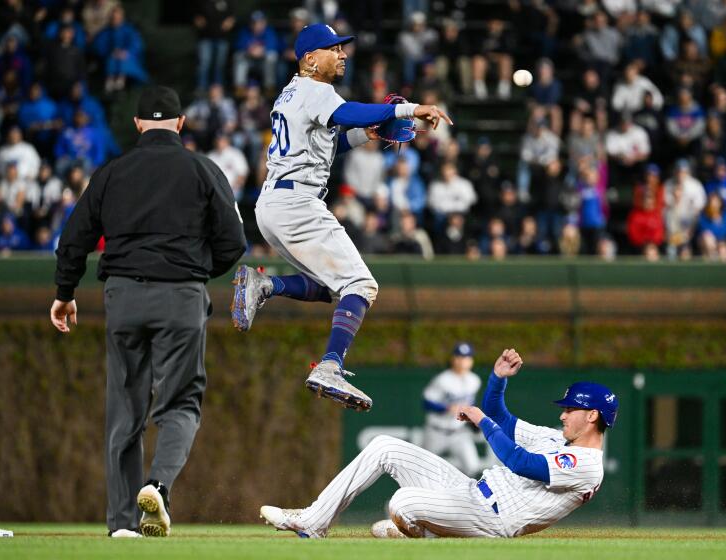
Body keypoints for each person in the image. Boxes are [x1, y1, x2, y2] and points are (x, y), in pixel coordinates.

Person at [49, 86, 247, 538]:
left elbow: (74, 238)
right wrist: (195, 273)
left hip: (123, 297)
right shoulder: (203, 169)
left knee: (124, 411)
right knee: (180, 402)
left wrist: (65, 291)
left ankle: (121, 526)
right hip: (181, 298)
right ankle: (157, 485)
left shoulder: (112, 173)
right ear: (180, 123)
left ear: (137, 124)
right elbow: (234, 242)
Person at [230, 24, 452, 412]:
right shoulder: (316, 90)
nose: (343, 54)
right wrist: (409, 108)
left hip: (277, 204)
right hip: (297, 204)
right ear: (310, 59)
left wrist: (368, 134)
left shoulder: (292, 94)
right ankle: (330, 365)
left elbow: (329, 145)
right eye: (333, 49)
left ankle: (265, 285)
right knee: (362, 286)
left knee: (337, 289)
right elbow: (346, 112)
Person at [259, 348, 618, 538]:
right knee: (385, 446)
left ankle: (424, 532)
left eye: (570, 409)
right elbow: (502, 418)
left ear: (591, 416)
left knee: (401, 501)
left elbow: (521, 463)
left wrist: (481, 421)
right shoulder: (558, 438)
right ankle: (313, 521)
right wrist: (497, 380)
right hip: (471, 491)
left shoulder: (587, 466)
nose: (562, 415)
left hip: (492, 520)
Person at [422, 342, 482, 477]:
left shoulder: (475, 380)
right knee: (421, 469)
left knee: (473, 467)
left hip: (459, 433)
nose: (463, 361)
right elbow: (426, 403)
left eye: (467, 358)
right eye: (459, 357)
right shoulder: (442, 380)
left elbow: (470, 403)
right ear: (453, 359)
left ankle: (463, 496)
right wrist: (446, 408)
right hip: (436, 432)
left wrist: (473, 422)